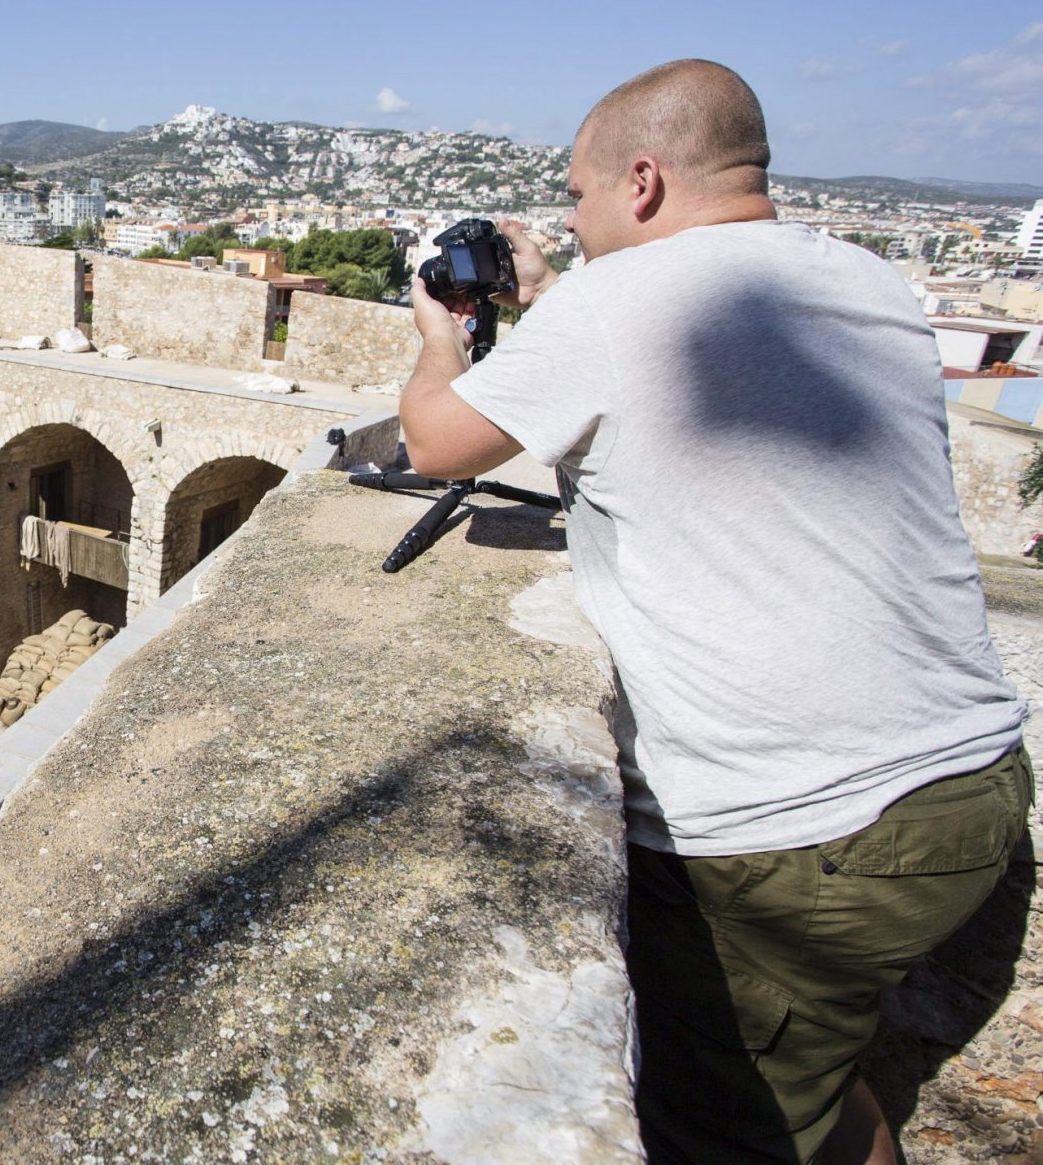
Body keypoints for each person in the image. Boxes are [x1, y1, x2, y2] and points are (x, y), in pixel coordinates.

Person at [397, 59, 1029, 1165]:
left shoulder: (614, 301)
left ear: (641, 181)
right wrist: (554, 294)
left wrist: (440, 328)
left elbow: (438, 442)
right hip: (971, 788)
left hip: (802, 830)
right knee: (821, 1088)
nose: (576, 227)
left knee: (733, 1129)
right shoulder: (869, 282)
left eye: (582, 200)